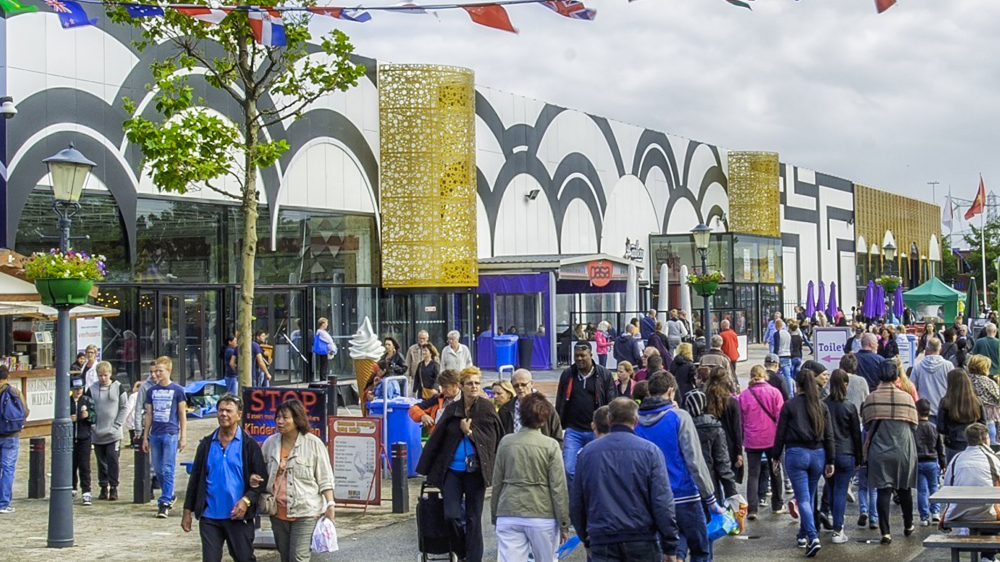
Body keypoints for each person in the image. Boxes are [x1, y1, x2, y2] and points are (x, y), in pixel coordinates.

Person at [571, 398, 679, 562]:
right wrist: (670, 544)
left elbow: (577, 503)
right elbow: (662, 502)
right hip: (642, 538)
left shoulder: (587, 453)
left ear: (609, 420)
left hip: (602, 538)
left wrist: (586, 539)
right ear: (635, 421)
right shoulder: (650, 452)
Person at [416, 367, 503, 562]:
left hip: (476, 471)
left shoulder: (486, 408)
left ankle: (473, 559)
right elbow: (438, 439)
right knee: (451, 515)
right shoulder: (452, 409)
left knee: (473, 518)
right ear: (461, 386)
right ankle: (461, 551)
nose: (474, 387)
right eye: (470, 383)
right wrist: (427, 467)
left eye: (477, 383)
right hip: (453, 471)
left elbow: (493, 440)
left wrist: (470, 432)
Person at [636, 371, 724, 562]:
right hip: (685, 495)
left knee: (670, 549)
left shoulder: (636, 422)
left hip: (654, 498)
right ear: (670, 391)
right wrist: (710, 498)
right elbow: (694, 460)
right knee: (700, 550)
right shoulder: (679, 417)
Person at [182, 394, 267, 562]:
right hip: (210, 517)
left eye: (229, 411)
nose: (224, 414)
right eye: (220, 410)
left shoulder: (249, 446)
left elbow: (261, 482)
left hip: (238, 517)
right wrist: (187, 512)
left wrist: (246, 501)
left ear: (239, 415)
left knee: (244, 558)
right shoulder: (206, 444)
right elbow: (195, 481)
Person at [491, 393, 569, 562]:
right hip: (542, 513)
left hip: (509, 510)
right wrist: (563, 522)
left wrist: (495, 514)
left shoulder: (506, 442)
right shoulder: (551, 445)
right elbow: (558, 486)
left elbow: (497, 482)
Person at [261, 398, 335, 562]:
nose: (280, 421)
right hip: (278, 512)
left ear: (297, 419)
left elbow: (325, 477)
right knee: (285, 557)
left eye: (285, 417)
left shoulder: (314, 444)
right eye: (278, 417)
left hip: (306, 511)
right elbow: (260, 474)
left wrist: (330, 504)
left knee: (298, 557)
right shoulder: (270, 444)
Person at [771, 369, 834, 558]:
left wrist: (775, 457)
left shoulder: (790, 406)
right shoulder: (821, 406)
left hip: (796, 453)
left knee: (803, 499)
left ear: (796, 385)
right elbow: (829, 436)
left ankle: (812, 537)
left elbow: (780, 434)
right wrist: (830, 460)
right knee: (810, 495)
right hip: (818, 454)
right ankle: (803, 534)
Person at [860, 360, 918, 544]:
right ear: (896, 376)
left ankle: (886, 532)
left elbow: (867, 425)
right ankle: (908, 524)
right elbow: (914, 425)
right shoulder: (907, 398)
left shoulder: (871, 398)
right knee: (904, 489)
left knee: (883, 491)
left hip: (879, 450)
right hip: (903, 449)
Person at [554, 343, 617, 488]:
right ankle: (576, 500)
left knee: (597, 469)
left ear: (591, 355)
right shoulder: (568, 374)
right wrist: (559, 424)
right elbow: (560, 401)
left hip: (596, 431)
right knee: (569, 469)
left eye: (583, 355)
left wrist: (609, 427)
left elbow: (611, 402)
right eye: (576, 356)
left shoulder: (604, 375)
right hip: (573, 430)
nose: (579, 359)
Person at [142, 356, 188, 518]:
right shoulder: (151, 391)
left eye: (160, 371)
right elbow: (149, 414)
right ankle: (169, 492)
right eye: (155, 371)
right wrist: (145, 436)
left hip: (170, 433)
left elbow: (182, 414)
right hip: (155, 433)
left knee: (168, 468)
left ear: (168, 371)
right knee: (158, 468)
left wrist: (183, 436)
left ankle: (165, 500)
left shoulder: (178, 390)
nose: (157, 374)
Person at [738, 365, 785, 520]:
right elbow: (780, 417)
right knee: (775, 471)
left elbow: (741, 420)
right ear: (765, 376)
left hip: (752, 439)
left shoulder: (744, 395)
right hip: (772, 438)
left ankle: (753, 509)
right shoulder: (774, 392)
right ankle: (777, 504)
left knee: (753, 475)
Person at [821, 369, 862, 544]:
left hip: (826, 453)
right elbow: (855, 435)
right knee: (840, 491)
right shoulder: (850, 407)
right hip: (846, 453)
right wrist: (859, 459)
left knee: (831, 489)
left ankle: (833, 521)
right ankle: (838, 528)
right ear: (846, 385)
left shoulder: (823, 405)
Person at [686, 389, 739, 503]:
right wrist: (731, 492)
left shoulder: (683, 429)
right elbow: (722, 462)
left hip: (689, 486)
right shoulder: (716, 429)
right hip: (711, 484)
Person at [941, 423, 1000, 524]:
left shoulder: (956, 459)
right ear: (985, 438)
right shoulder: (993, 459)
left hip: (957, 514)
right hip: (988, 514)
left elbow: (947, 485)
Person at [89, 361, 127, 501]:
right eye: (100, 376)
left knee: (113, 459)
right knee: (100, 461)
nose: (102, 378)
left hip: (113, 433)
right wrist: (93, 426)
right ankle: (103, 487)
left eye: (105, 375)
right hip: (97, 432)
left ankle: (114, 487)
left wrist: (117, 425)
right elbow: (88, 408)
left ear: (110, 374)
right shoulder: (92, 389)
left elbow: (124, 407)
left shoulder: (118, 387)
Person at [498, 369, 562, 442]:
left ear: (531, 383)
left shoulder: (546, 407)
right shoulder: (505, 409)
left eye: (523, 384)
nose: (520, 388)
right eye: (516, 385)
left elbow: (557, 435)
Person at [938, 368, 987, 461]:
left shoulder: (946, 402)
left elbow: (940, 427)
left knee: (954, 471)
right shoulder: (976, 401)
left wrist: (949, 432)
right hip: (974, 442)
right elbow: (983, 422)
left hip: (953, 443)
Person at [705, 367, 743, 486]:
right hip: (728, 445)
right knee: (728, 482)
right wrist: (739, 452)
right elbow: (737, 429)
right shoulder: (732, 402)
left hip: (708, 443)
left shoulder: (705, 399)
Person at [0, 365, 28, 514]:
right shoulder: (14, 391)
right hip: (11, 435)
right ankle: (3, 503)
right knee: (8, 469)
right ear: (8, 376)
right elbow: (25, 410)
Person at [914, 398, 945, 527]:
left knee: (921, 490)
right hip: (932, 461)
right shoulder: (934, 428)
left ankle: (924, 517)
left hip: (918, 461)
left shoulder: (914, 428)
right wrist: (943, 464)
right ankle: (936, 512)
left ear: (917, 411)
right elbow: (940, 448)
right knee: (934, 487)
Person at [909, 338, 952, 422]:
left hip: (924, 411)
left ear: (927, 349)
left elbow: (911, 388)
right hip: (943, 409)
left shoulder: (918, 366)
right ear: (940, 349)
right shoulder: (948, 366)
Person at [409, 369, 462, 434]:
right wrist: (422, 416)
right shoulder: (436, 399)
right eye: (442, 387)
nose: (443, 390)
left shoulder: (466, 400)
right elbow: (413, 409)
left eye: (446, 387)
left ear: (456, 385)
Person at [71, 377, 96, 506]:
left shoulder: (87, 400)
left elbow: (94, 418)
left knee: (84, 466)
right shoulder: (67, 401)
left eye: (80, 388)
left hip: (84, 437)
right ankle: (72, 488)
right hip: (71, 438)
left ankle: (86, 491)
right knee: (71, 465)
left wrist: (87, 416)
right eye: (75, 389)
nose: (78, 391)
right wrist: (70, 419)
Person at [968, 355, 1000, 443]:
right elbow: (998, 398)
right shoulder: (988, 382)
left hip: (969, 415)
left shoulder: (966, 379)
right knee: (990, 444)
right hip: (987, 417)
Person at [313, 318, 336, 382]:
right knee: (324, 364)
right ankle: (323, 378)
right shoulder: (322, 333)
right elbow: (329, 341)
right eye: (326, 323)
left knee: (323, 364)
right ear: (322, 324)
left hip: (321, 350)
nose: (327, 325)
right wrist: (333, 349)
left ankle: (322, 377)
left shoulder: (318, 332)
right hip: (324, 350)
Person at [124, 380, 142, 448]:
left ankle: (133, 443)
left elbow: (129, 407)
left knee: (132, 430)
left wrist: (125, 415)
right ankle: (135, 442)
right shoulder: (142, 395)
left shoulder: (133, 396)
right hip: (138, 415)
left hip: (133, 415)